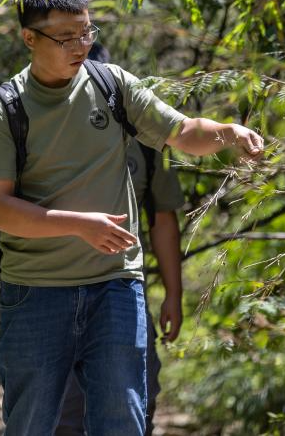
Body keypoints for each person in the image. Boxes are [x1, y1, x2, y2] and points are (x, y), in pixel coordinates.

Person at [0, 0, 263, 435]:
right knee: (31, 424)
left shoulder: (112, 85)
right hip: (35, 291)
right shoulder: (2, 111)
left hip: (115, 285)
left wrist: (229, 132)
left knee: (123, 419)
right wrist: (78, 225)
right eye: (66, 37)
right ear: (30, 38)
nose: (81, 46)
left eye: (87, 32)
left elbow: (184, 131)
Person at [55, 43, 186, 436]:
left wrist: (174, 296)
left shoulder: (143, 135)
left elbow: (163, 218)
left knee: (133, 406)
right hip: (51, 292)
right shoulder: (36, 126)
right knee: (62, 416)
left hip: (122, 291)